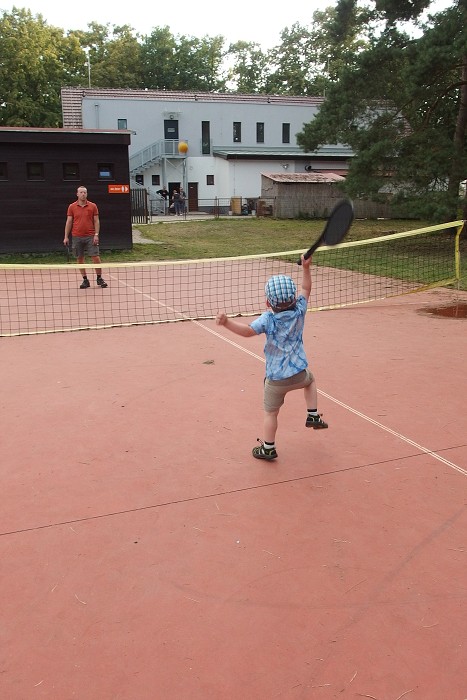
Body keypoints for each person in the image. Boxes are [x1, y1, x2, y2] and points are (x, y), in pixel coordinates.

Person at [216, 255, 327, 461]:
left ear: (268, 302)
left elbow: (249, 331)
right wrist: (306, 268)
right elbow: (307, 288)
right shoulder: (300, 311)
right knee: (310, 381)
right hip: (299, 373)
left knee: (271, 414)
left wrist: (227, 323)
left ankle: (268, 448)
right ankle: (312, 414)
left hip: (275, 380)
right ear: (294, 298)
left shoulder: (268, 319)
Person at [63, 186, 107, 289]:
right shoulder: (72, 207)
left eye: (85, 192)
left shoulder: (93, 206)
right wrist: (66, 236)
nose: (83, 194)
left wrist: (96, 234)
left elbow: (96, 221)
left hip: (90, 236)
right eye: (81, 192)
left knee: (95, 256)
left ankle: (99, 278)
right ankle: (85, 280)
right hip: (77, 236)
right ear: (77, 194)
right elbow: (69, 222)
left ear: (87, 194)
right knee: (80, 258)